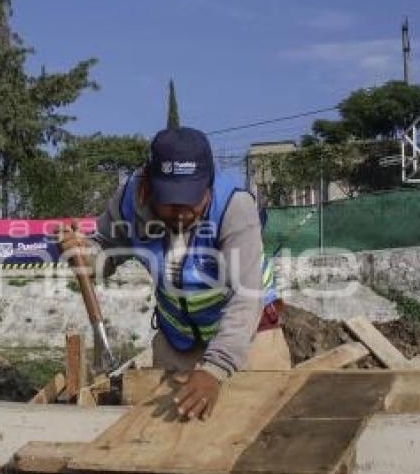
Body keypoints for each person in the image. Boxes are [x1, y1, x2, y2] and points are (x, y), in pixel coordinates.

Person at [87, 127, 282, 421]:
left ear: (208, 184)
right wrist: (87, 257)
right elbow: (104, 245)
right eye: (170, 199)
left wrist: (215, 368)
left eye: (191, 199)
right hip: (177, 340)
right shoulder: (129, 200)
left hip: (247, 336)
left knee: (263, 433)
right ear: (149, 185)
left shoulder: (235, 206)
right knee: (162, 442)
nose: (181, 211)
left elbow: (245, 296)